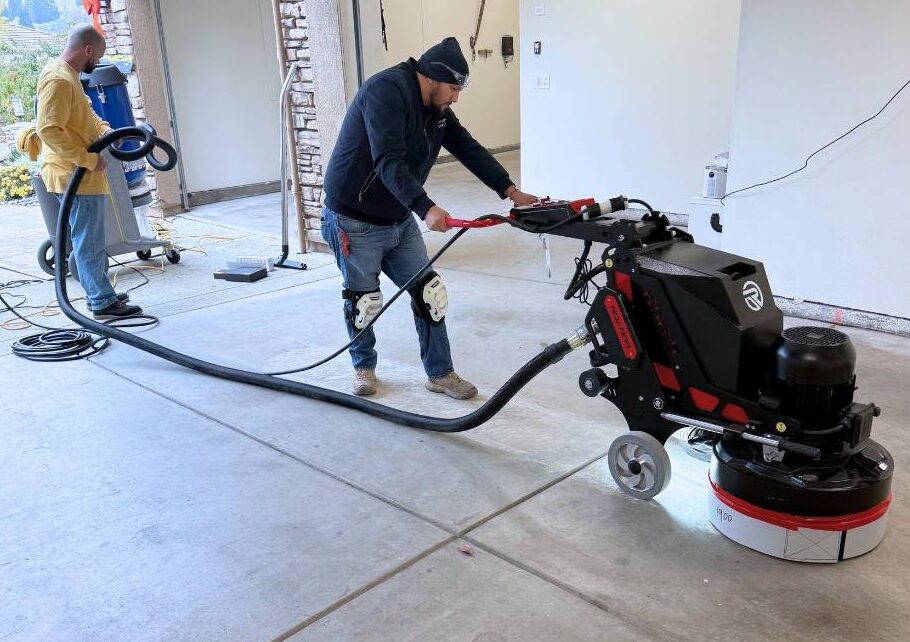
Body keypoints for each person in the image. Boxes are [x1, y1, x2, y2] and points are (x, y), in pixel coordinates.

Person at [322, 36, 538, 398]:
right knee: (363, 300)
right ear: (432, 78)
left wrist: (511, 191)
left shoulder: (435, 110)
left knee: (429, 293)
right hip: (354, 218)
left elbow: (467, 146)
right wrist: (425, 207)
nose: (455, 98)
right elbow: (387, 160)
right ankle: (363, 367)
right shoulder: (385, 92)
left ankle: (440, 374)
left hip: (397, 217)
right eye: (453, 88)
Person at [36, 24, 141, 319]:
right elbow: (48, 129)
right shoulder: (58, 79)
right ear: (88, 50)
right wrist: (86, 159)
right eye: (99, 56)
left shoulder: (68, 76)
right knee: (90, 241)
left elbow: (86, 115)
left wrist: (107, 130)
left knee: (86, 239)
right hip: (73, 174)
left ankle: (98, 290)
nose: (97, 63)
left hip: (76, 173)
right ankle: (102, 302)